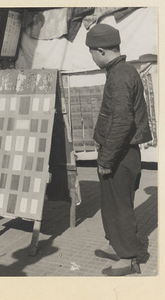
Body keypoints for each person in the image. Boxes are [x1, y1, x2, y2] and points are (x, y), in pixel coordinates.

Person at [85, 23, 152, 276]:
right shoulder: (124, 71)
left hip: (120, 154)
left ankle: (128, 259)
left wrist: (106, 159)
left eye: (91, 52)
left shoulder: (120, 75)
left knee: (119, 206)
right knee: (118, 204)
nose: (91, 58)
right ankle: (122, 246)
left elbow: (123, 122)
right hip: (125, 152)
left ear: (100, 50)